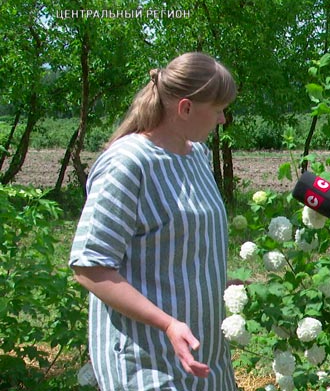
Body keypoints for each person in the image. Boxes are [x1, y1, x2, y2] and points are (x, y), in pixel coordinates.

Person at [69, 52, 238, 390]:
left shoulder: (197, 156)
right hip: (147, 361)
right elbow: (90, 267)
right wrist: (166, 324)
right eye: (218, 110)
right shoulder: (128, 164)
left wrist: (232, 285)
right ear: (186, 108)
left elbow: (185, 247)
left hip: (205, 356)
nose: (222, 120)